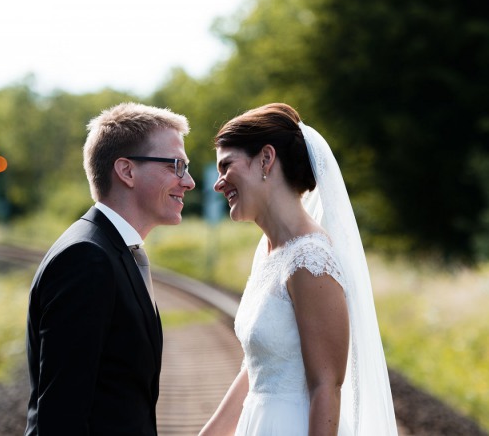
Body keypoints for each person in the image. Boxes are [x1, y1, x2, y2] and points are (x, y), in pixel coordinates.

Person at [199, 103, 397, 436]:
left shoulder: (310, 260)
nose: (218, 184)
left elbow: (326, 386)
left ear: (265, 159)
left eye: (226, 166)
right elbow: (258, 369)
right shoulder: (267, 252)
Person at [25, 102, 195, 435]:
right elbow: (60, 415)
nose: (187, 181)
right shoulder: (87, 259)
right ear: (126, 171)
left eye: (186, 167)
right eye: (176, 165)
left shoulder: (111, 250)